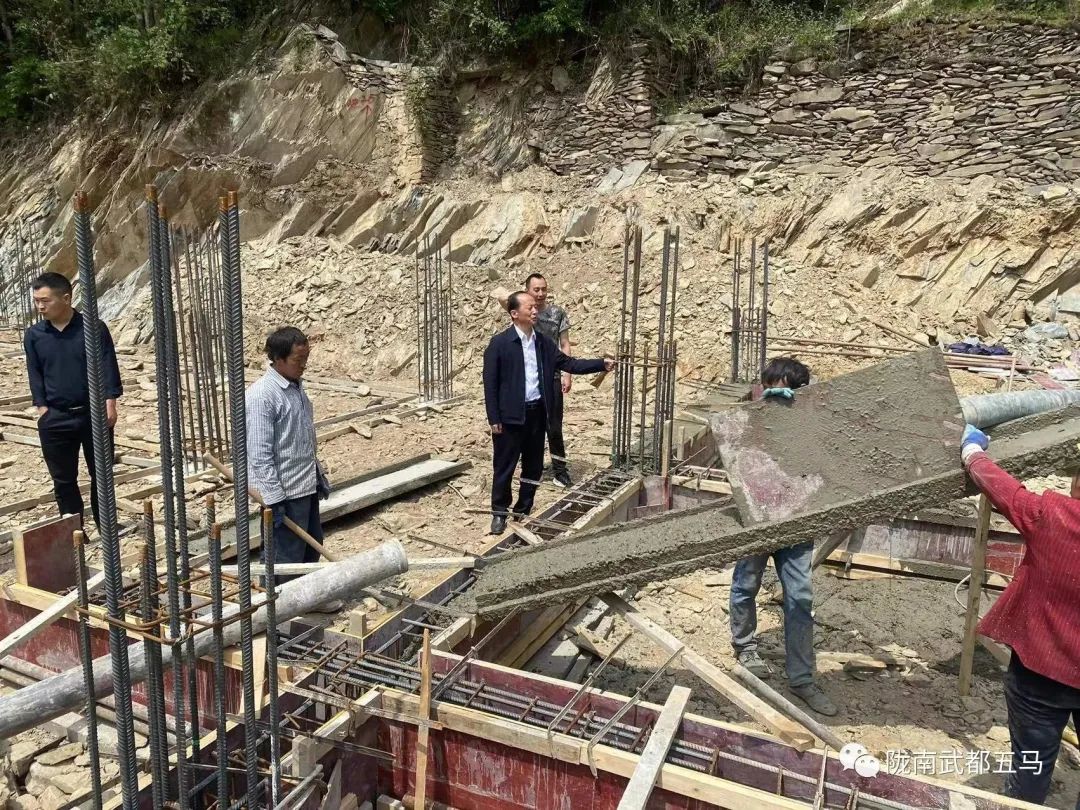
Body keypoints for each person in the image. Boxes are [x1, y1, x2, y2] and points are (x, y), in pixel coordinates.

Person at [961, 423, 1080, 808]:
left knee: (1031, 768)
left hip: (1041, 672)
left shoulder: (1056, 515)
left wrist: (972, 452)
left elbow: (1006, 492)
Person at [729, 356, 837, 716]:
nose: (775, 395)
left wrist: (804, 412)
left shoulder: (810, 422)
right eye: (769, 388)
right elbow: (734, 450)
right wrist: (761, 412)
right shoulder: (752, 418)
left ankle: (802, 679)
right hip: (759, 518)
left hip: (796, 520)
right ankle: (745, 647)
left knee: (800, 597)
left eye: (784, 390)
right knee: (746, 584)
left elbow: (827, 452)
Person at [483, 291, 613, 535]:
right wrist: (494, 418)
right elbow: (490, 384)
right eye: (530, 308)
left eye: (535, 307)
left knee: (533, 467)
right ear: (514, 313)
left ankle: (523, 509)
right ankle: (499, 512)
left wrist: (600, 364)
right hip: (510, 417)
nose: (535, 311)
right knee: (504, 466)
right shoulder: (500, 344)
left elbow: (569, 363)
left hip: (537, 414)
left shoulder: (542, 342)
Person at [246, 326, 337, 610]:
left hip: (304, 484)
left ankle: (307, 598)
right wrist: (274, 499)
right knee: (285, 556)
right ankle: (280, 609)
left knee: (310, 545)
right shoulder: (262, 396)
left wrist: (316, 475)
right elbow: (258, 454)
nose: (304, 365)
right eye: (298, 360)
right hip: (284, 491)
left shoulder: (295, 386)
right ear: (278, 358)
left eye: (306, 358)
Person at [24, 272, 122, 529]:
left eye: (45, 300)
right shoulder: (34, 335)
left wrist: (110, 401)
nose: (40, 306)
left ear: (66, 298)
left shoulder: (93, 328)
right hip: (55, 416)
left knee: (101, 475)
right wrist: (42, 408)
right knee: (63, 480)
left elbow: (108, 366)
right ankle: (74, 532)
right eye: (36, 301)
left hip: (93, 413)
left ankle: (107, 527)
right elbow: (35, 373)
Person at [525, 273, 574, 488]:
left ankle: (560, 471)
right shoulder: (524, 314)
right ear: (527, 291)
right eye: (536, 289)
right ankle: (531, 469)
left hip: (552, 376)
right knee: (530, 426)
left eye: (543, 289)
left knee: (554, 427)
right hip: (529, 378)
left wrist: (567, 373)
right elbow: (501, 297)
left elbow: (565, 344)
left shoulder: (557, 313)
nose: (541, 293)